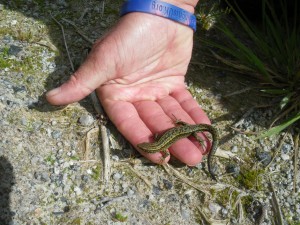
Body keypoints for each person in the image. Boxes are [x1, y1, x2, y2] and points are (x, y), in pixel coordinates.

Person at [46, 0, 211, 166]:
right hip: (180, 129)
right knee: (189, 128)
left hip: (183, 129)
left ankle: (200, 136)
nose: (145, 144)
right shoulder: (159, 143)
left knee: (193, 129)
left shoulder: (161, 145)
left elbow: (164, 148)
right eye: (147, 146)